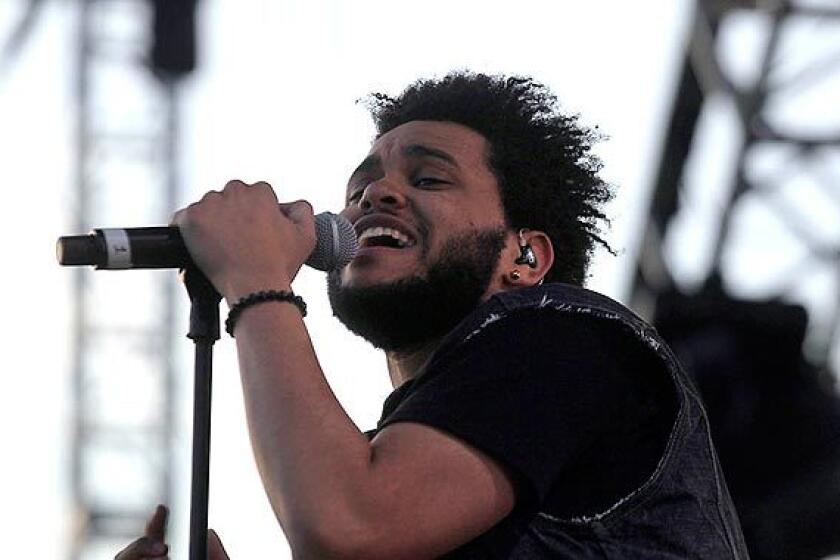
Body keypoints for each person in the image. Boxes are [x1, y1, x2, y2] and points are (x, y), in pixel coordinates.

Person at [116, 72, 749, 559]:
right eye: (361, 185)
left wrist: (256, 281)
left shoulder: (567, 339)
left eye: (429, 179)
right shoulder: (401, 471)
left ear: (524, 257)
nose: (375, 195)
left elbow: (352, 528)